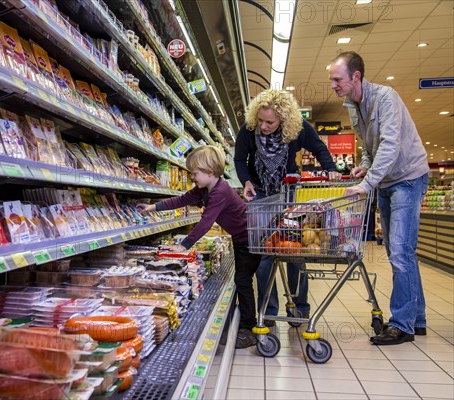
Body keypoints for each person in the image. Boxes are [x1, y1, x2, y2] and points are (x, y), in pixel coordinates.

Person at [329, 51, 430, 345]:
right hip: (386, 181)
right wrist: (365, 166)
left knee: (400, 251)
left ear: (356, 76)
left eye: (337, 79)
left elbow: (390, 145)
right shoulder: (352, 106)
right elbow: (371, 148)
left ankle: (402, 325)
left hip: (408, 179)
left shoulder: (386, 98)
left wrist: (367, 183)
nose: (333, 85)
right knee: (399, 252)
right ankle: (416, 318)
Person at [234, 89, 339, 327]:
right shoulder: (249, 130)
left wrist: (331, 168)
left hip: (287, 192)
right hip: (260, 193)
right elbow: (240, 159)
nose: (263, 126)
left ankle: (299, 309)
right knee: (265, 252)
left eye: (269, 122)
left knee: (293, 251)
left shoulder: (298, 129)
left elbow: (319, 148)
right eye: (260, 120)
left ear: (283, 119)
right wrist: (246, 182)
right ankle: (268, 311)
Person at [138, 146, 261, 348]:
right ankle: (245, 322)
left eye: (195, 173)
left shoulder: (220, 192)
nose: (193, 177)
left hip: (249, 240)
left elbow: (205, 223)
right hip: (241, 239)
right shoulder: (206, 189)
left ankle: (248, 329)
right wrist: (153, 207)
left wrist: (183, 246)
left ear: (210, 172)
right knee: (242, 280)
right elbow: (182, 200)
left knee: (243, 281)